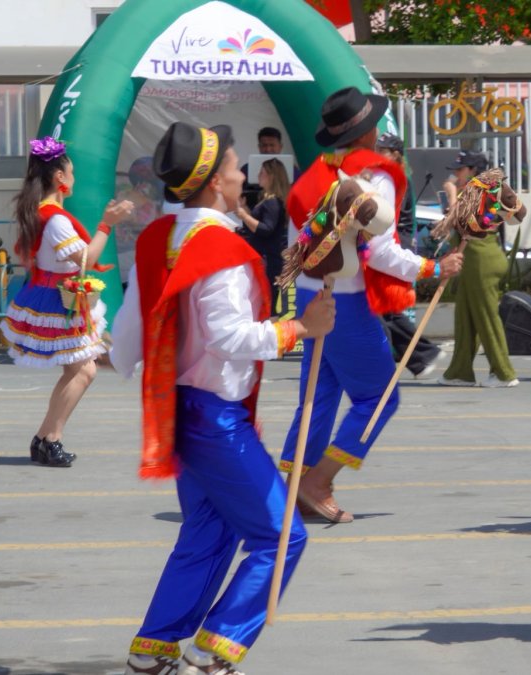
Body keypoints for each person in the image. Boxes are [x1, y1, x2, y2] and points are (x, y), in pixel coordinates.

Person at [111, 122, 334, 675]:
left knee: (207, 532)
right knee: (280, 537)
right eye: (235, 168)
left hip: (178, 405)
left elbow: (127, 332)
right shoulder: (224, 250)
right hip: (214, 415)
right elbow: (230, 339)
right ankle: (213, 650)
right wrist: (299, 329)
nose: (243, 175)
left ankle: (153, 648)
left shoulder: (158, 237)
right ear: (214, 184)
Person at [281, 87, 463, 523]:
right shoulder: (374, 176)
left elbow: (296, 242)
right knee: (379, 398)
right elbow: (380, 253)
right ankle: (317, 481)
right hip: (346, 301)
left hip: (311, 293)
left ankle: (289, 489)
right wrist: (432, 268)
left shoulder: (319, 171)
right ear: (371, 130)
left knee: (317, 395)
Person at [0, 137, 134, 468]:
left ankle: (46, 439)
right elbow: (85, 257)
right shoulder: (55, 219)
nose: (74, 178)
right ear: (60, 176)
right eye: (71, 172)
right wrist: (107, 224)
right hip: (57, 302)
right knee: (84, 369)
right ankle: (48, 438)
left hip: (58, 297)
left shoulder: (45, 213)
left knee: (81, 368)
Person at [437, 151, 518, 388]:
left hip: (481, 262)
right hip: (472, 261)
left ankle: (504, 373)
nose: (455, 174)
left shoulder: (479, 190)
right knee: (465, 316)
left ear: (472, 171)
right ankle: (459, 372)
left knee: (485, 316)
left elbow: (459, 221)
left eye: (460, 170)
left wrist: (452, 195)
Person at [376, 132, 444, 379]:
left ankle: (423, 354)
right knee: (385, 309)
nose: (377, 153)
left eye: (382, 150)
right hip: (391, 245)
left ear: (394, 154)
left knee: (386, 309)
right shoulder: (389, 177)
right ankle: (421, 356)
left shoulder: (394, 179)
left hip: (394, 247)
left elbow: (387, 218)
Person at [235, 157, 290, 316]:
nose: (258, 175)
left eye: (262, 173)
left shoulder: (272, 202)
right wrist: (245, 210)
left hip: (270, 259)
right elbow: (257, 227)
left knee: (270, 301)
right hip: (267, 257)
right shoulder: (267, 200)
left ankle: (273, 331)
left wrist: (245, 216)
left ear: (271, 176)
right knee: (267, 300)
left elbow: (266, 229)